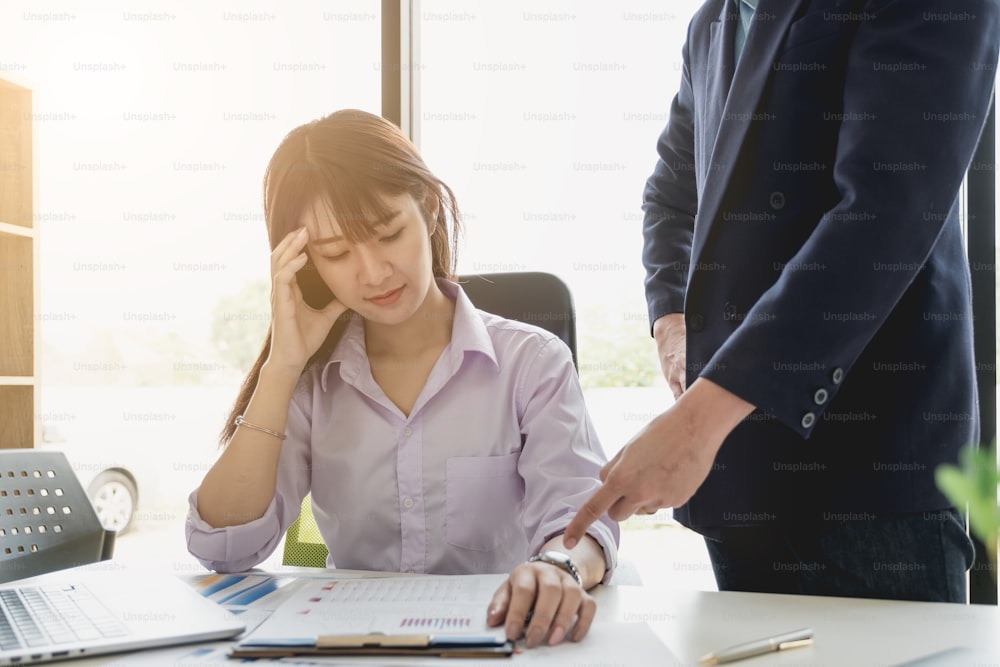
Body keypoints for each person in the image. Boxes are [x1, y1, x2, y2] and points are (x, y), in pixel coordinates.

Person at [565, 0, 1000, 603]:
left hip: (874, 479)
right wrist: (670, 323)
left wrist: (695, 425)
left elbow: (883, 217)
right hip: (742, 480)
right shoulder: (712, 22)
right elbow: (671, 195)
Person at [185, 109, 619, 647]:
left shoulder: (533, 363)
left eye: (388, 233)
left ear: (430, 208)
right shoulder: (311, 383)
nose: (372, 273)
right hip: (352, 649)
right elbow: (223, 549)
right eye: (337, 253)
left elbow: (584, 522)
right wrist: (282, 368)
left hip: (502, 642)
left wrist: (559, 567)